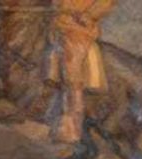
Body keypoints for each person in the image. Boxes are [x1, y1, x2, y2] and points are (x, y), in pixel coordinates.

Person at [47, 0, 116, 143]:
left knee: (70, 63)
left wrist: (88, 15)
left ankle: (71, 125)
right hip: (53, 22)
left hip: (78, 28)